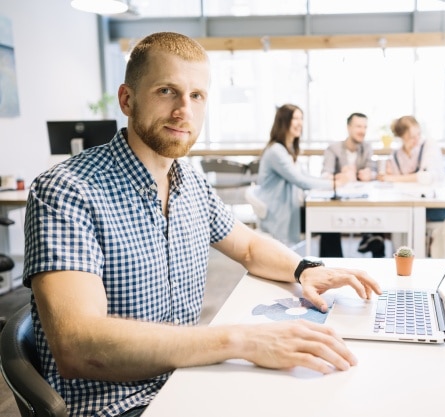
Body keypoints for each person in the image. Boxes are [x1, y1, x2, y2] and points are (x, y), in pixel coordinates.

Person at [22, 32, 381, 417]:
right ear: (127, 99)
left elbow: (247, 246)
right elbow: (80, 346)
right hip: (116, 407)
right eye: (166, 91)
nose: (184, 111)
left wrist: (306, 269)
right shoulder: (66, 190)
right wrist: (241, 340)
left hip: (185, 382)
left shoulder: (189, 181)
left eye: (197, 96)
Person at [255, 104, 342, 246]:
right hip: (278, 214)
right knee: (328, 221)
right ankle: (329, 264)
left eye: (301, 118)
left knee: (329, 221)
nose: (300, 123)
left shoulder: (287, 149)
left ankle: (329, 264)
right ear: (283, 121)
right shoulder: (276, 151)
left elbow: (304, 175)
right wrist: (332, 185)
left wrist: (331, 180)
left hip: (290, 209)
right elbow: (300, 181)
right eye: (295, 118)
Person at [321, 113, 384, 257]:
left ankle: (374, 246)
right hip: (338, 202)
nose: (362, 131)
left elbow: (373, 171)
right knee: (327, 222)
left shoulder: (367, 147)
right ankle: (334, 262)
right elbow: (325, 174)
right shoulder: (333, 149)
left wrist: (370, 175)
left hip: (361, 199)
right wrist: (340, 176)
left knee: (378, 212)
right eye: (358, 126)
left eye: (365, 127)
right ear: (348, 128)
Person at [378, 115, 445, 222]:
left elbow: (426, 176)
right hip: (408, 203)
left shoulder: (429, 145)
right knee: (394, 215)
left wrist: (392, 178)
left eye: (419, 134)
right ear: (401, 137)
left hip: (433, 205)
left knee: (412, 216)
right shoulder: (396, 156)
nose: (417, 139)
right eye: (411, 136)